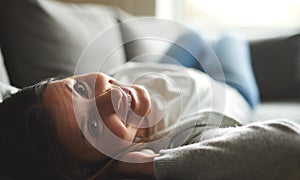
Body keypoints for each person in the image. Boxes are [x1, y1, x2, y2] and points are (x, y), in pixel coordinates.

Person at [1, 32, 300, 180]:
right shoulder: (181, 140)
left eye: (80, 87)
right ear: (94, 167)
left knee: (192, 35)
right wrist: (151, 165)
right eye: (93, 126)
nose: (111, 97)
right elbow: (289, 146)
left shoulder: (31, 115)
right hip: (228, 88)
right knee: (229, 37)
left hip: (158, 71)